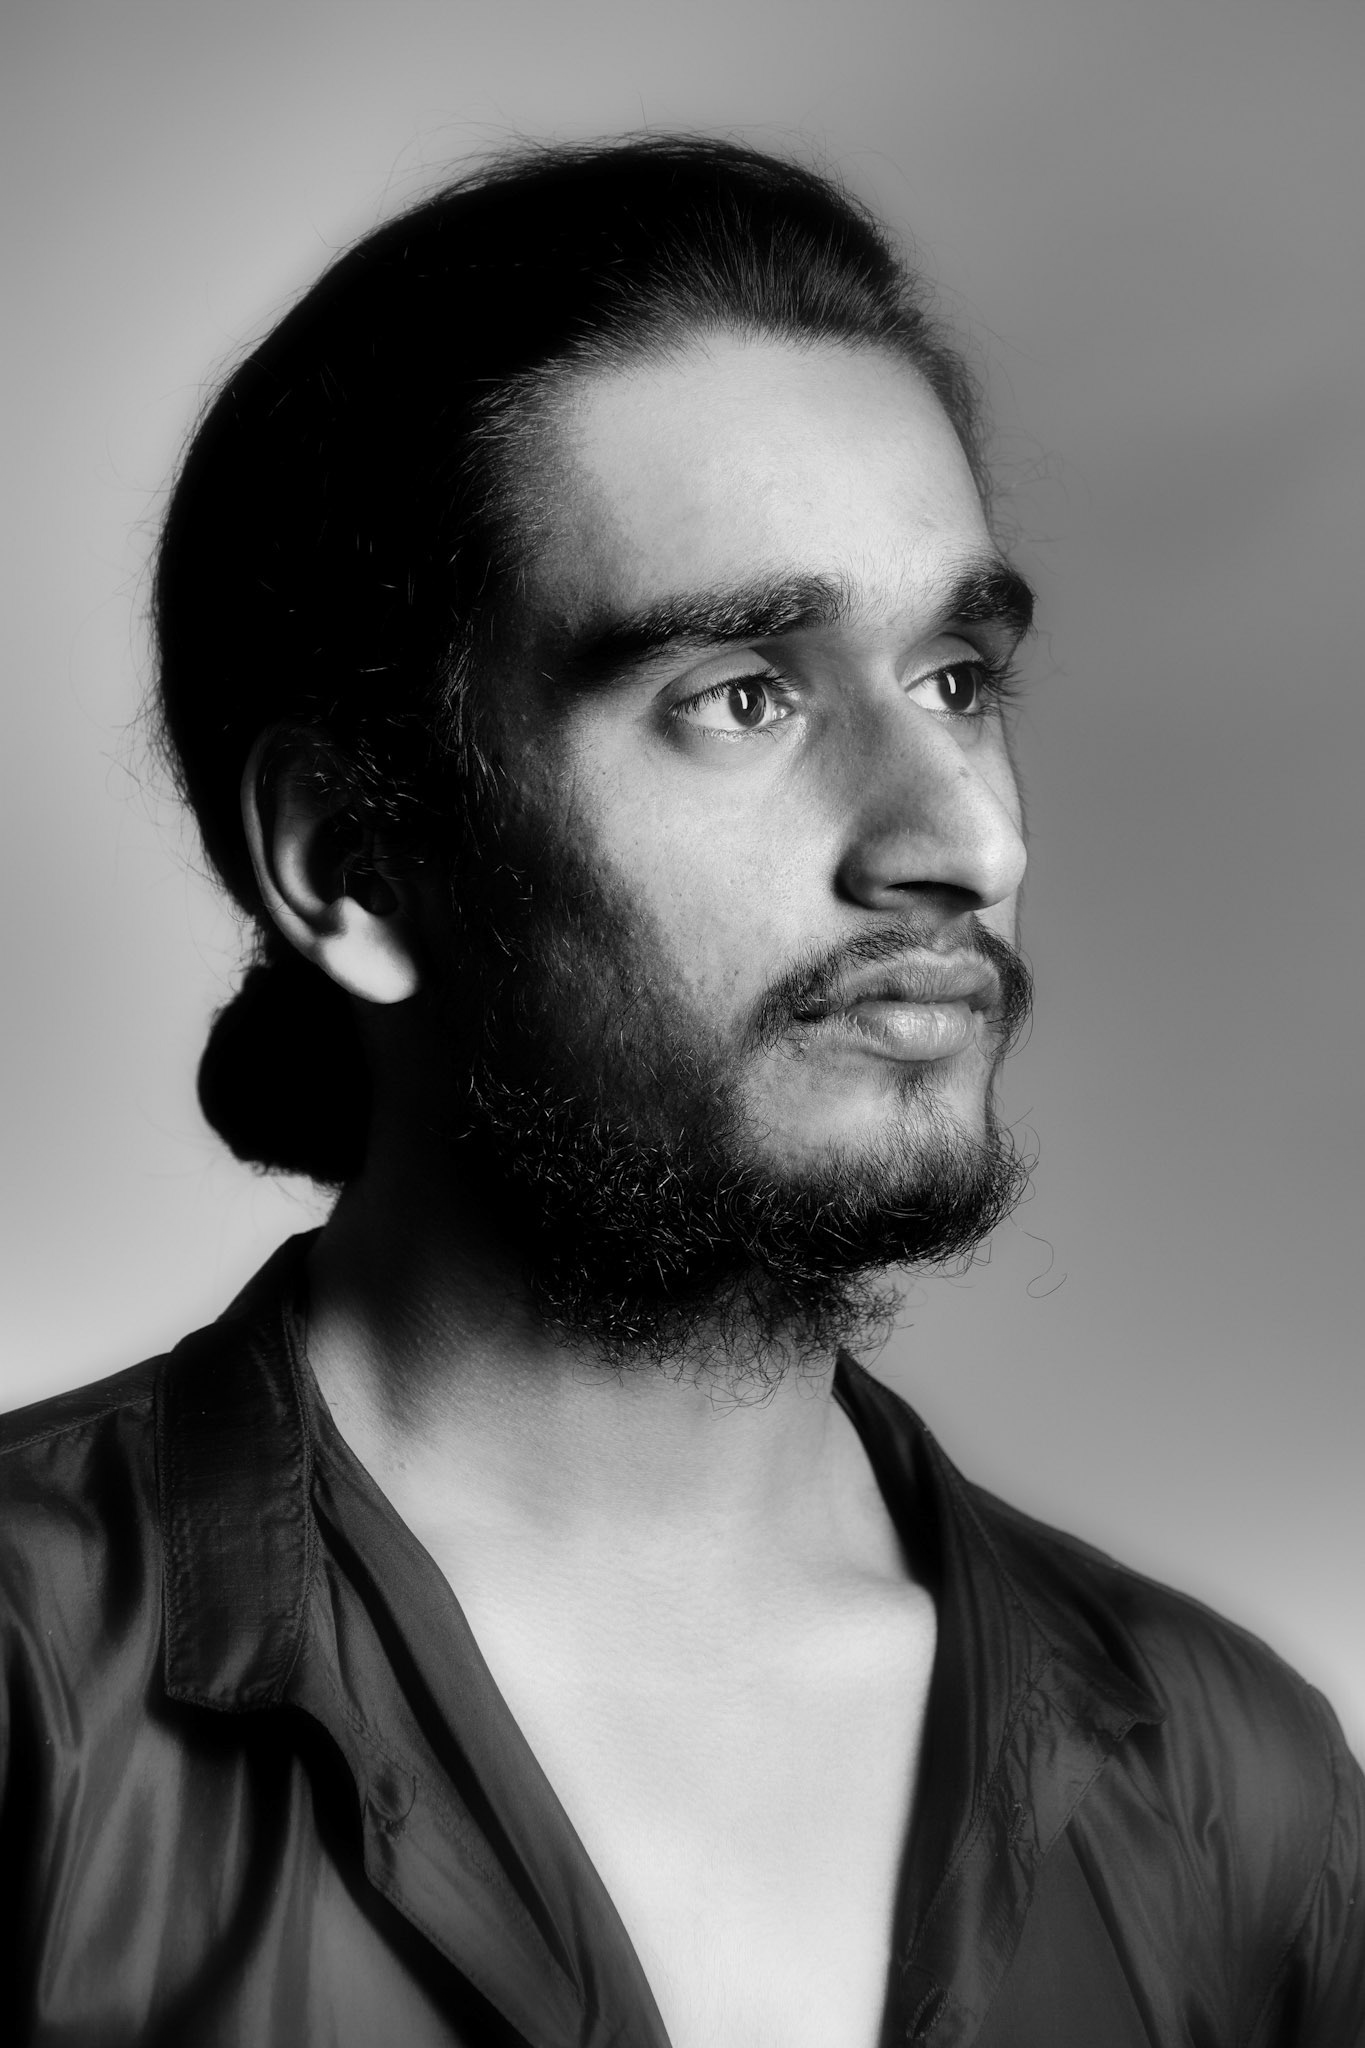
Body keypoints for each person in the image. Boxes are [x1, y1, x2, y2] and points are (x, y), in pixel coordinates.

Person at [1, 136, 1360, 2048]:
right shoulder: (28, 1693)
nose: (964, 841)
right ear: (352, 861)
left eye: (956, 679)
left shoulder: (1234, 1786)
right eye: (743, 693)